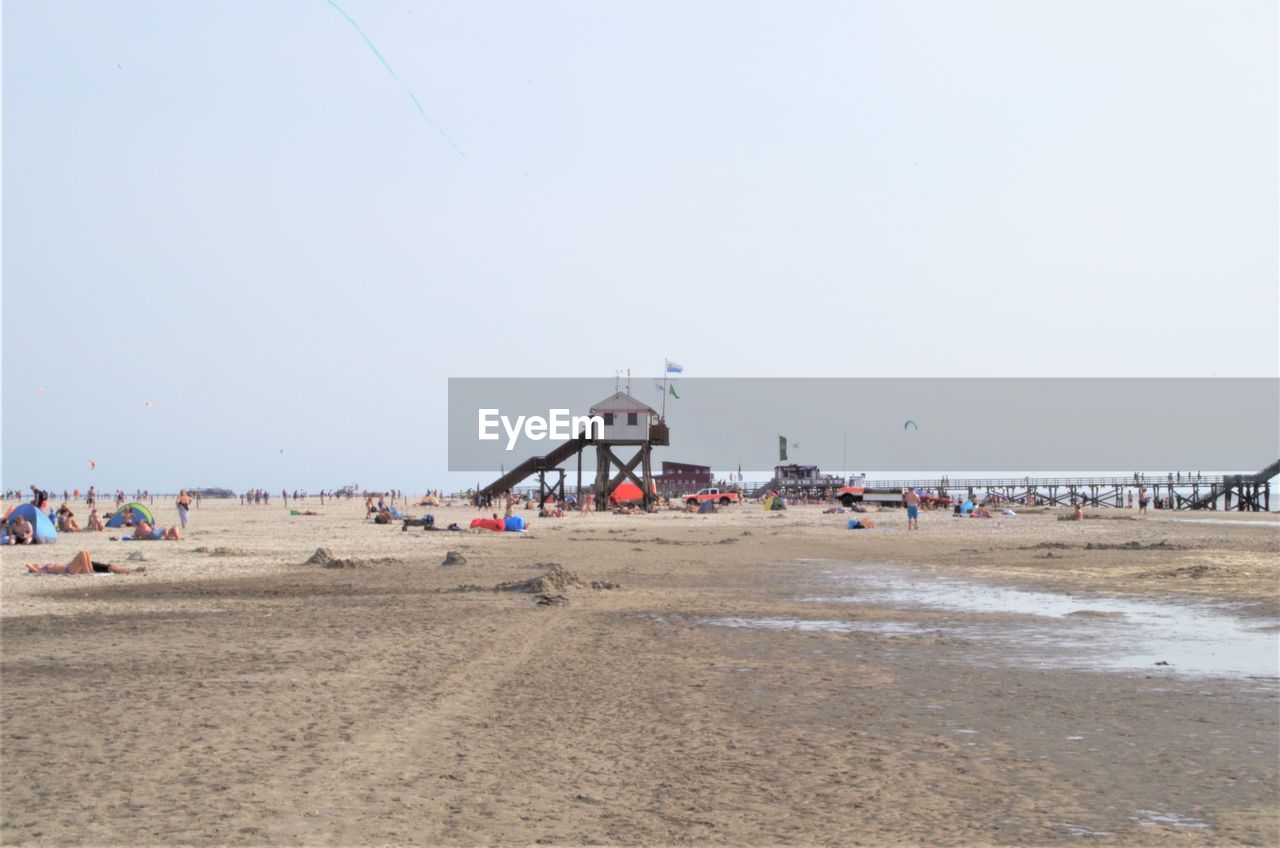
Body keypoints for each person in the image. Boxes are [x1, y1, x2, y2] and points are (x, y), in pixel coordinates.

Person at [26, 550, 145, 575]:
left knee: (86, 553)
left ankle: (90, 570)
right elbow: (29, 566)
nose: (36, 563)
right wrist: (32, 567)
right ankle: (89, 571)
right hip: (69, 570)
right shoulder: (42, 570)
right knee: (82, 553)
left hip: (70, 568)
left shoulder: (45, 567)